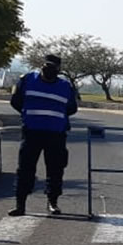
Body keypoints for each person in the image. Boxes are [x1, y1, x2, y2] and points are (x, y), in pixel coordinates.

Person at [8, 54, 77, 216]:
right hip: (32, 132)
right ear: (42, 66)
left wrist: (55, 117)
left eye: (53, 68)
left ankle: (53, 202)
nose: (48, 70)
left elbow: (72, 108)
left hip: (56, 134)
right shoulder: (27, 80)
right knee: (25, 169)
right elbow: (16, 101)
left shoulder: (65, 86)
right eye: (46, 67)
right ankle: (20, 205)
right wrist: (28, 115)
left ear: (58, 70)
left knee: (56, 169)